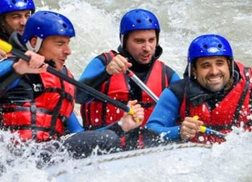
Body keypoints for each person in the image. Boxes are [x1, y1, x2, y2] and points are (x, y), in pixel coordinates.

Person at [0, 11, 144, 159]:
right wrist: (17, 70)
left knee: (107, 140)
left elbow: (77, 135)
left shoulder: (62, 79)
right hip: (7, 158)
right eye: (60, 44)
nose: (68, 51)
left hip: (42, 158)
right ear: (34, 43)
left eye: (68, 43)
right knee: (106, 139)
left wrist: (122, 126)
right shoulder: (11, 65)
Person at [77, 9, 180, 149]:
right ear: (124, 40)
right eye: (139, 41)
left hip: (150, 154)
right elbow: (78, 96)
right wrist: (106, 73)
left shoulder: (167, 75)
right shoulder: (102, 63)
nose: (147, 48)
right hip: (102, 150)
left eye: (152, 40)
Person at [146, 34, 252, 144]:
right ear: (194, 71)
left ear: (229, 65)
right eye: (205, 65)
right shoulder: (177, 94)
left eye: (220, 63)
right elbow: (150, 130)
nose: (214, 72)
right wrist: (179, 131)